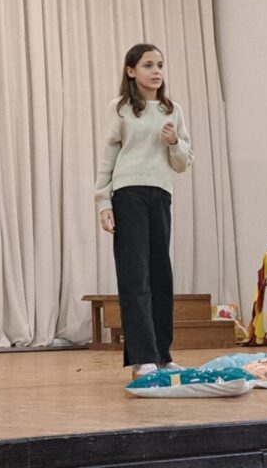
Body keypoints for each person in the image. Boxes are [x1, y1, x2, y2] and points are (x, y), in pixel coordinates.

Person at [94, 43, 194, 378]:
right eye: (148, 65)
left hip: (160, 195)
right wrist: (103, 202)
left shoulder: (172, 110)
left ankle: (162, 355)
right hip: (128, 194)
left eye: (160, 65)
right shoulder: (120, 109)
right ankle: (142, 358)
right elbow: (108, 156)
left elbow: (182, 163)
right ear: (131, 71)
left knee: (161, 276)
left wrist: (174, 143)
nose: (156, 71)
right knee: (135, 276)